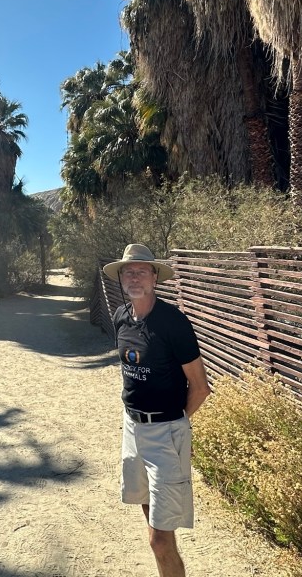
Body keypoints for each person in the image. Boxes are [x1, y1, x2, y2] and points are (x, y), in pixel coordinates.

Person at [103, 243, 211, 577]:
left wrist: (176, 426)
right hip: (132, 431)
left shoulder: (173, 323)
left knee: (160, 541)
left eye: (141, 271)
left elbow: (200, 387)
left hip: (165, 434)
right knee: (150, 523)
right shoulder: (122, 317)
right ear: (121, 278)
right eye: (128, 271)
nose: (134, 277)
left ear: (155, 277)